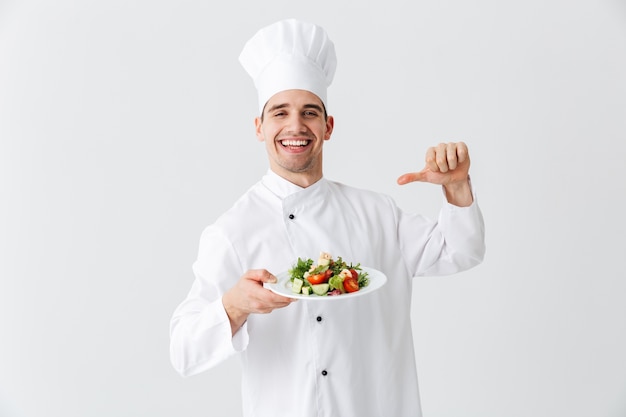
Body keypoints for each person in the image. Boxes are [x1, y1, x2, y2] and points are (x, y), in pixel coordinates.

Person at [169, 18, 485, 417]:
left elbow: (463, 251)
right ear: (259, 128)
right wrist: (233, 307)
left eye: (310, 112)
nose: (295, 126)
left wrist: (455, 187)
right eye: (279, 113)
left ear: (328, 126)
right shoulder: (232, 231)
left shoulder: (378, 213)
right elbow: (183, 351)